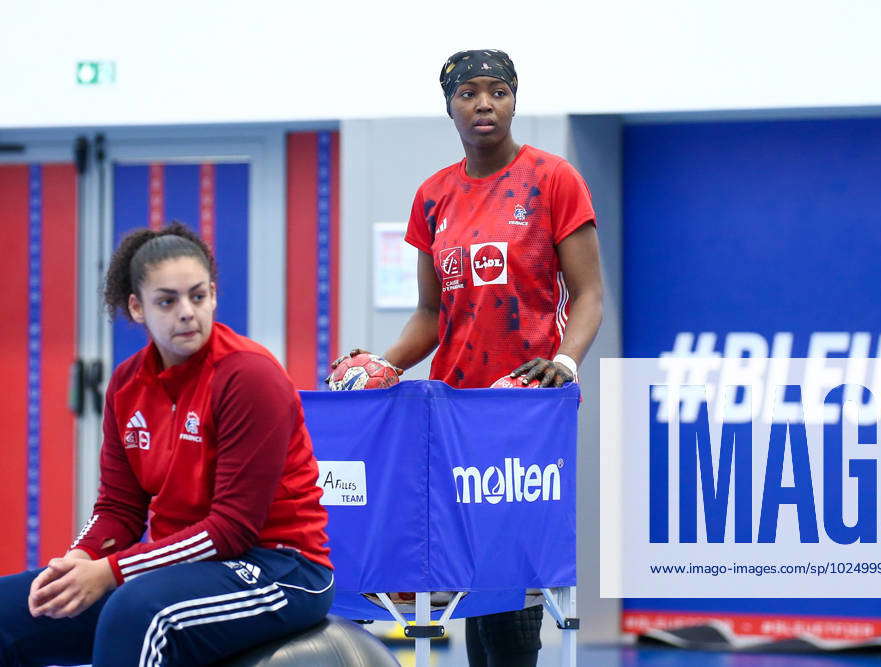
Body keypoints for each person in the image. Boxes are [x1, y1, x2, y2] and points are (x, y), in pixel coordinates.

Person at [340, 49, 604, 667]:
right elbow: (431, 315)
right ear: (449, 104)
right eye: (469, 93)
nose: (484, 104)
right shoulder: (433, 195)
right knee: (463, 578)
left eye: (499, 91)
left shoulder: (553, 179)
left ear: (515, 99)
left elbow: (589, 294)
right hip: (453, 412)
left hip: (527, 409)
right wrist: (381, 365)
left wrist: (565, 364)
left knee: (512, 579)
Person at [0, 223, 334, 666]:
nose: (186, 313)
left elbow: (231, 529)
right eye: (167, 300)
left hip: (283, 569)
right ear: (137, 308)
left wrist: (110, 572)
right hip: (180, 566)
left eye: (198, 296)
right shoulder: (125, 383)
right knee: (12, 608)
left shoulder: (249, 376)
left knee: (137, 612)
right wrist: (79, 561)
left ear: (214, 295)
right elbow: (118, 509)